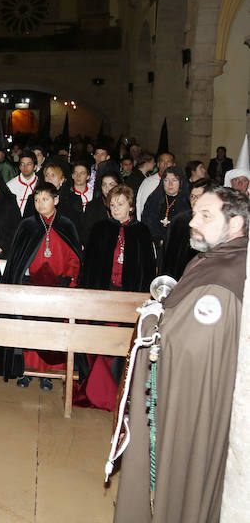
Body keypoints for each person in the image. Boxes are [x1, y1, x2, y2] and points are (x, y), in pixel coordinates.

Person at [114, 187, 249, 523]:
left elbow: (193, 345)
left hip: (190, 403)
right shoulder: (216, 259)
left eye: (206, 216)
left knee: (179, 481)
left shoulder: (223, 278)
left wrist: (151, 325)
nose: (193, 222)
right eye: (195, 213)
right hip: (189, 392)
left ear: (235, 225)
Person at [76, 184, 154, 411]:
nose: (116, 208)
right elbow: (89, 265)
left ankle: (122, 391)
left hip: (129, 298)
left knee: (124, 344)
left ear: (130, 206)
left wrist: (143, 298)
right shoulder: (100, 228)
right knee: (102, 341)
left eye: (121, 204)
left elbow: (147, 268)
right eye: (112, 204)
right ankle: (100, 391)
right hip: (104, 296)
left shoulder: (142, 231)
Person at [1, 182, 81, 390]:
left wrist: (70, 278)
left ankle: (47, 373)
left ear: (56, 200)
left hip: (58, 289)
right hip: (31, 287)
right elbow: (17, 258)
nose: (40, 204)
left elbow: (74, 257)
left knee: (51, 332)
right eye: (36, 200)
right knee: (29, 330)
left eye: (44, 199)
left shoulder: (66, 225)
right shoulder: (27, 224)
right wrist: (22, 275)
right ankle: (26, 371)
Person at [158, 177, 211, 280]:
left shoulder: (214, 224)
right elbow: (167, 255)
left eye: (199, 196)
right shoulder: (179, 220)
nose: (195, 200)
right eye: (192, 196)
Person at [142, 166, 190, 248]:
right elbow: (146, 222)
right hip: (155, 245)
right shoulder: (154, 199)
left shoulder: (187, 202)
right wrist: (157, 239)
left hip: (178, 247)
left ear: (181, 182)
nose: (170, 184)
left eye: (174, 180)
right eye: (166, 180)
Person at [82, 173, 122, 247]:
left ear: (118, 186)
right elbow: (87, 234)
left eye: (111, 184)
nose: (107, 188)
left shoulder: (124, 204)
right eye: (104, 185)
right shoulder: (92, 206)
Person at [136, 152, 175, 220]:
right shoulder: (149, 182)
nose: (165, 164)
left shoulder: (179, 183)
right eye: (162, 161)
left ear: (174, 164)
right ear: (158, 164)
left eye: (168, 161)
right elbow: (141, 206)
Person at [6, 151, 39, 216]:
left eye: (29, 164)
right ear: (19, 167)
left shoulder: (41, 183)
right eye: (22, 164)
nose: (25, 167)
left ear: (35, 167)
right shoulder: (10, 185)